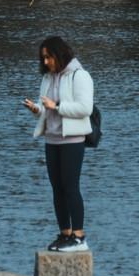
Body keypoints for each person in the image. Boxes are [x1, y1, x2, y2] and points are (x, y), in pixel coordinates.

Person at [23, 34, 94, 252]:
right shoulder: (47, 77)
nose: (45, 62)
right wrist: (37, 109)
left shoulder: (79, 76)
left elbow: (85, 108)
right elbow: (47, 107)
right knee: (57, 189)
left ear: (59, 55)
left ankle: (79, 236)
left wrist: (57, 106)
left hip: (72, 139)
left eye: (48, 57)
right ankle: (65, 234)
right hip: (52, 139)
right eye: (43, 58)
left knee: (71, 187)